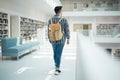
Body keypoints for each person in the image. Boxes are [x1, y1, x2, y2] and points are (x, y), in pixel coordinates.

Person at [48, 6, 70, 75]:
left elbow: (48, 30)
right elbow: (67, 29)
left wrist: (49, 38)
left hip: (53, 39)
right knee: (59, 54)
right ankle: (57, 69)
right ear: (60, 11)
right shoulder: (64, 19)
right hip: (61, 39)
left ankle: (56, 64)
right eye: (61, 10)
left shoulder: (50, 20)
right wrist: (68, 38)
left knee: (55, 53)